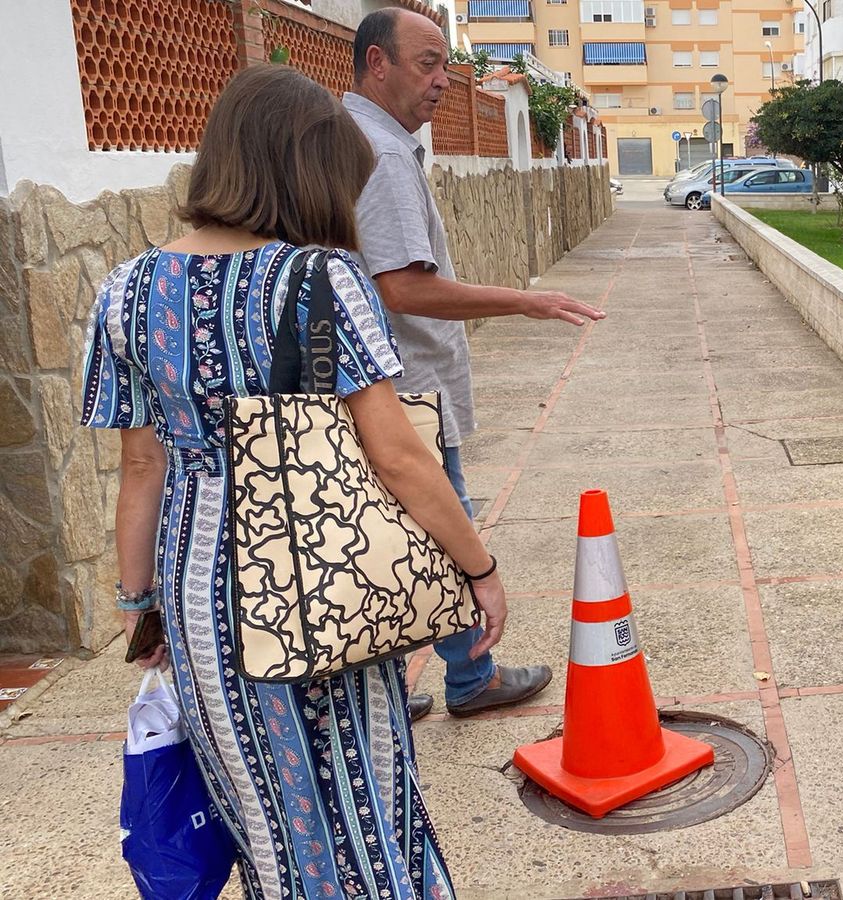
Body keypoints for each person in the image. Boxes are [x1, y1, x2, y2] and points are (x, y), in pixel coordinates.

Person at [83, 65, 485, 898]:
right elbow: (399, 456)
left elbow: (140, 466)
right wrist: (477, 568)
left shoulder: (125, 290)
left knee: (269, 827)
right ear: (304, 168)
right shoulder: (317, 280)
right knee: (367, 809)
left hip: (199, 603)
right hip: (320, 578)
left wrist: (139, 605)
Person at [344, 8, 606, 720]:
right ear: (377, 64)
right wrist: (527, 302)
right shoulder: (386, 155)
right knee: (443, 520)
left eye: (444, 64)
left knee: (392, 533)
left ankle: (407, 685)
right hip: (407, 388)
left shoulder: (353, 138)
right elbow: (403, 284)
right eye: (427, 63)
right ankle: (472, 675)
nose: (442, 81)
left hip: (380, 380)